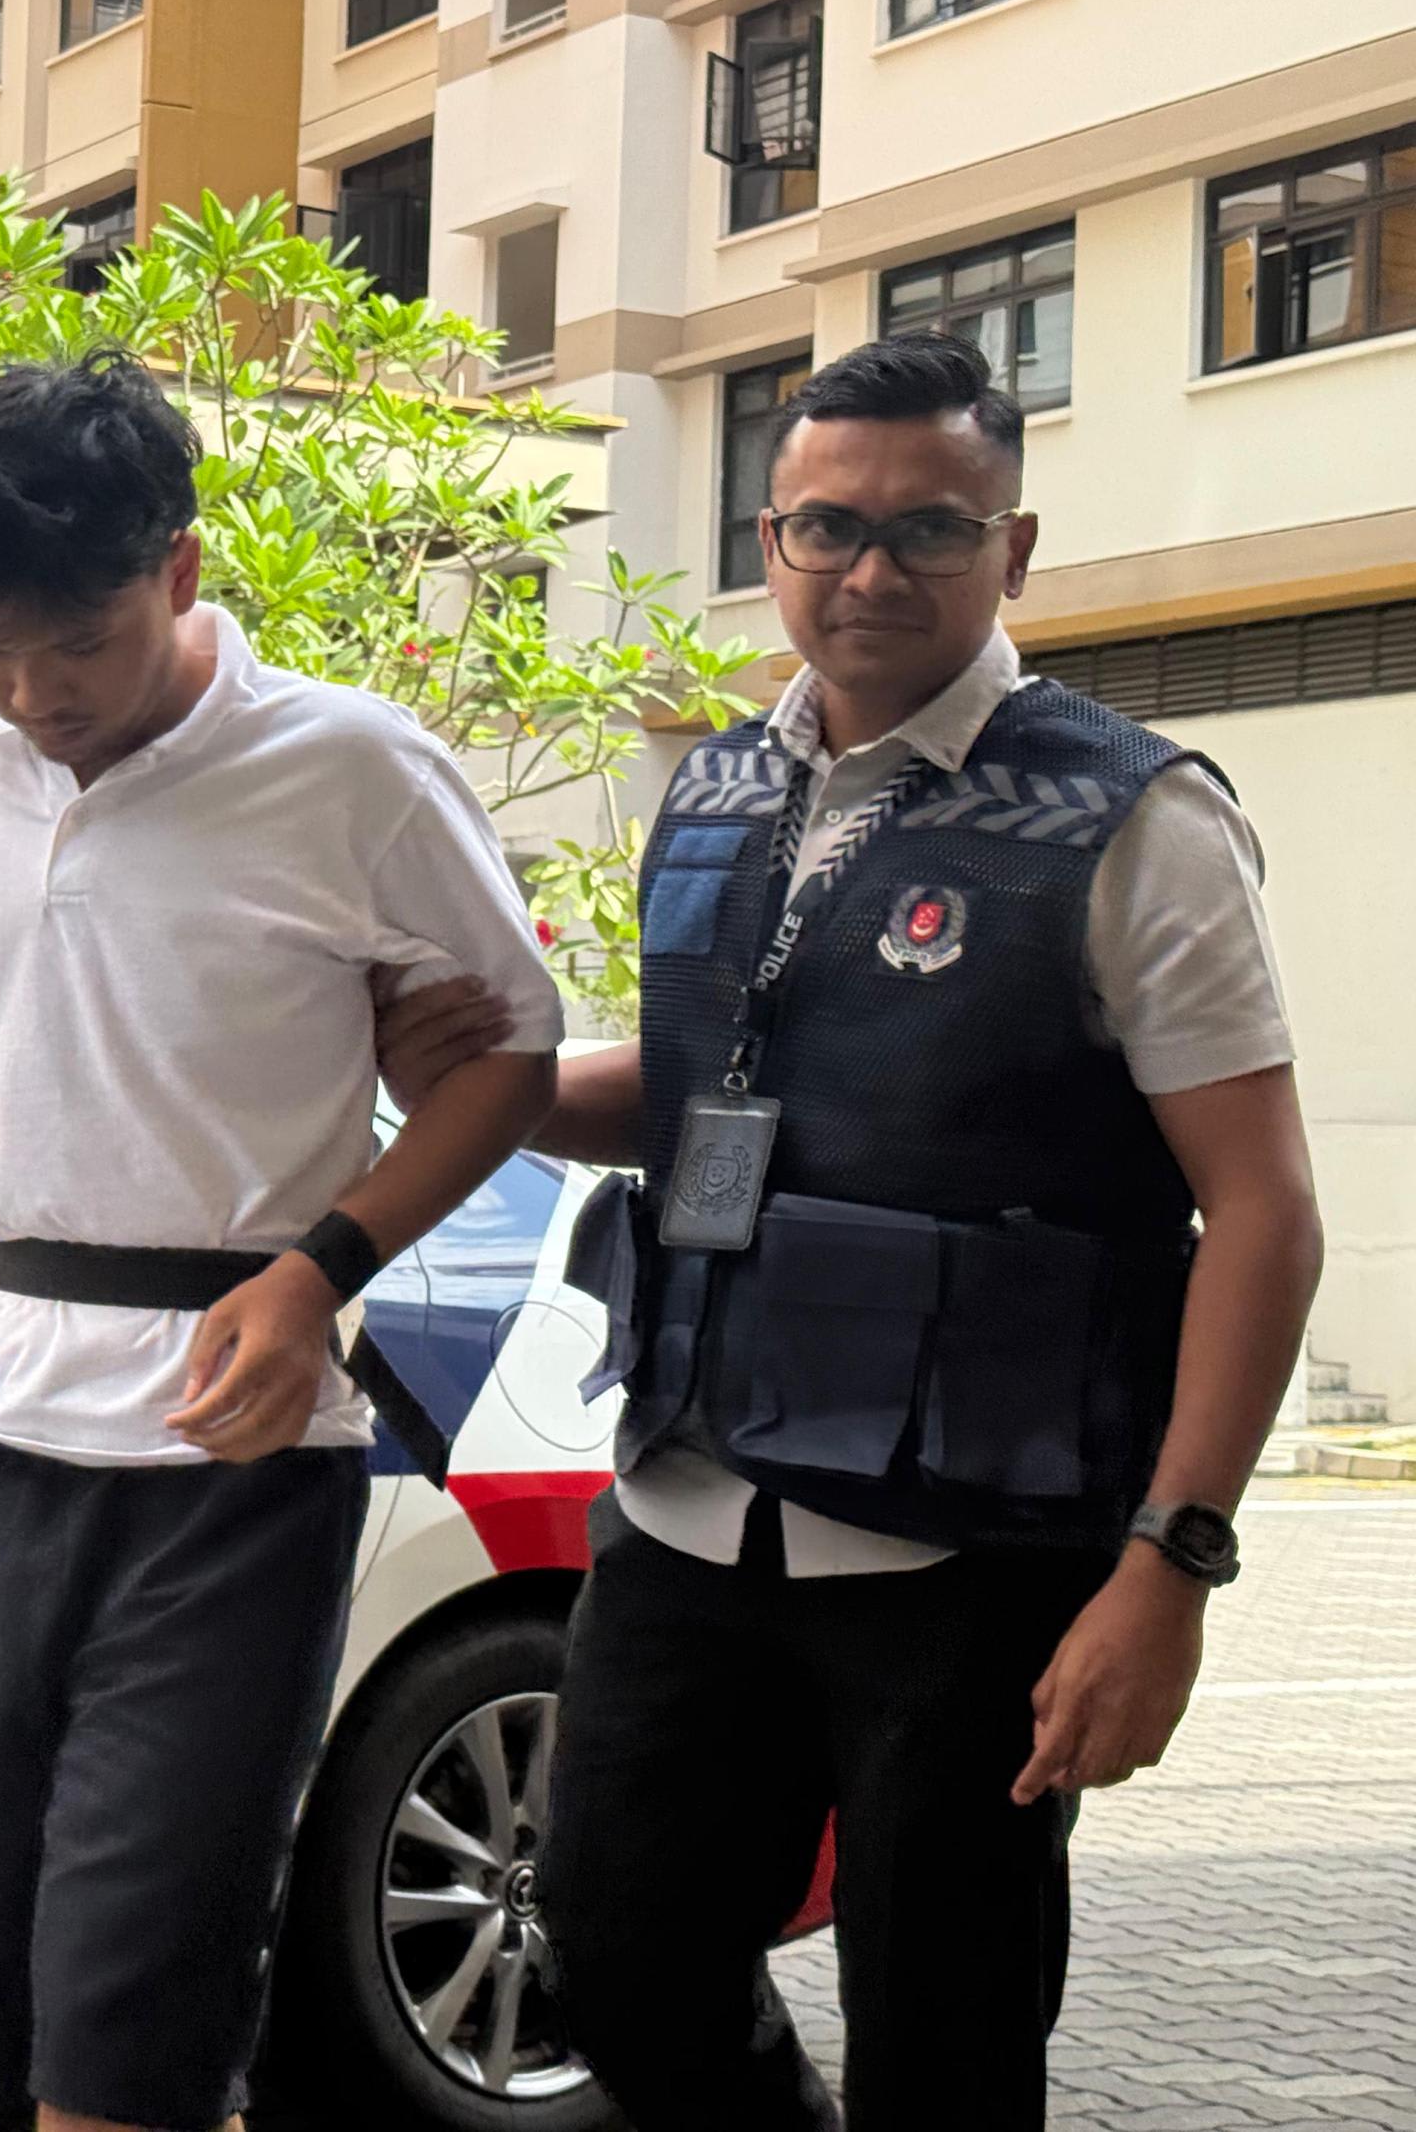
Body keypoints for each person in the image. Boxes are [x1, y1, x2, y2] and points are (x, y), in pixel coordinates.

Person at [447, 331, 1318, 2129]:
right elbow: (692, 1089)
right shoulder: (717, 786)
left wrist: (1169, 1567)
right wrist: (469, 1084)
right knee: (616, 1956)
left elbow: (1263, 1208)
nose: (868, 570)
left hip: (973, 1561)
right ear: (770, 539)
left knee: (950, 2042)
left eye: (929, 528)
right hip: (690, 1504)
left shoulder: (1133, 819)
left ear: (1015, 547)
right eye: (825, 526)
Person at [0, 351, 565, 2132]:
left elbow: (511, 1060)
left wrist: (324, 1270)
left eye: (77, 644)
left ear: (177, 567)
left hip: (230, 1458)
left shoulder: (351, 769)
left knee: (133, 2026)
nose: (33, 695)